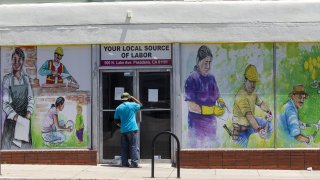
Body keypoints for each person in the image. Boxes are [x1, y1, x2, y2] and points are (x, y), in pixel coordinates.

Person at [184, 45, 225, 148]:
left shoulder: (211, 78)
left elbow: (217, 95)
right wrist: (211, 110)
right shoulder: (191, 79)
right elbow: (191, 106)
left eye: (210, 62)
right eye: (205, 62)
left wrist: (221, 102)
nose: (208, 66)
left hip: (211, 127)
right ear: (198, 60)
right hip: (197, 129)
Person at [1, 47, 35, 149]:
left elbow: (30, 98)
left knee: (25, 151)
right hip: (11, 121)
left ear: (23, 61)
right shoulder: (7, 79)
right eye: (14, 59)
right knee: (8, 150)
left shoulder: (26, 79)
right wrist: (15, 116)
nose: (17, 62)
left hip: (24, 120)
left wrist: (28, 112)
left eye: (19, 59)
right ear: (11, 61)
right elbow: (5, 103)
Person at [232, 64, 273, 147]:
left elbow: (261, 103)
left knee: (267, 125)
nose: (253, 84)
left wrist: (269, 112)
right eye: (251, 81)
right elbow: (249, 116)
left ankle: (268, 145)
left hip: (250, 126)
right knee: (242, 152)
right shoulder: (241, 96)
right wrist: (259, 129)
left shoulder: (253, 92)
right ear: (245, 80)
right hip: (240, 130)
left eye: (254, 82)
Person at [114, 92, 142, 168]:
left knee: (124, 147)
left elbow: (116, 121)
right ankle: (134, 163)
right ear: (129, 98)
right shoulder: (132, 105)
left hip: (123, 130)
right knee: (133, 146)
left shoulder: (118, 108)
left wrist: (121, 125)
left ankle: (124, 163)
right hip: (132, 129)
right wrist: (133, 98)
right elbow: (140, 105)